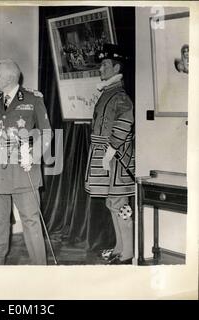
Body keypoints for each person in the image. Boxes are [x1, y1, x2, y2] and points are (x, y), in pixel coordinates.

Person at [0, 59, 52, 265]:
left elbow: (46, 133)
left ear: (9, 77)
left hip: (24, 171)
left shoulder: (33, 99)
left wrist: (33, 155)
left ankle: (40, 272)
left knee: (31, 221)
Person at [85, 43, 135, 265]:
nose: (101, 69)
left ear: (116, 68)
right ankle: (119, 247)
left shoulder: (120, 95)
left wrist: (109, 152)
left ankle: (128, 253)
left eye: (105, 65)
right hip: (107, 156)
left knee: (120, 204)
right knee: (112, 203)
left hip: (117, 158)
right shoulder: (108, 92)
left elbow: (125, 123)